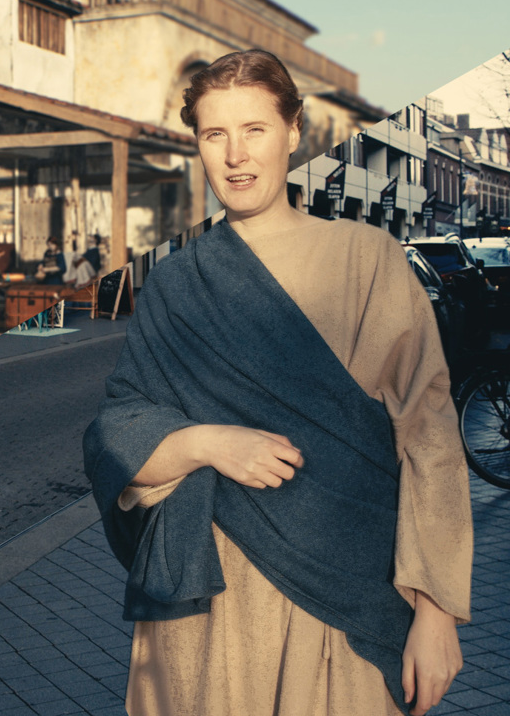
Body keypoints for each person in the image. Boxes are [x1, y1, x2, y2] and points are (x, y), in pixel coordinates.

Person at [83, 50, 472, 716]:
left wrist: (436, 611)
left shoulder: (366, 259)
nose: (235, 155)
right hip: (209, 610)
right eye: (214, 135)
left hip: (345, 596)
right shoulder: (178, 282)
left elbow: (428, 434)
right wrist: (208, 442)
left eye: (254, 130)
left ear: (295, 133)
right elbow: (114, 433)